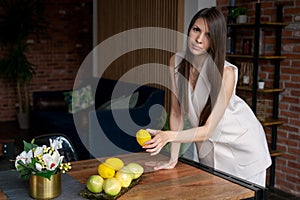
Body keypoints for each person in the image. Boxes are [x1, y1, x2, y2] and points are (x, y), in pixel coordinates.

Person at [144, 7, 271, 187]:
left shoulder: (226, 73)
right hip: (208, 150)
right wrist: (172, 159)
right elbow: (176, 112)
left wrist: (168, 136)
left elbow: (209, 128)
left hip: (241, 148)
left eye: (208, 35)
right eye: (196, 30)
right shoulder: (176, 62)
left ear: (215, 40)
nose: (198, 39)